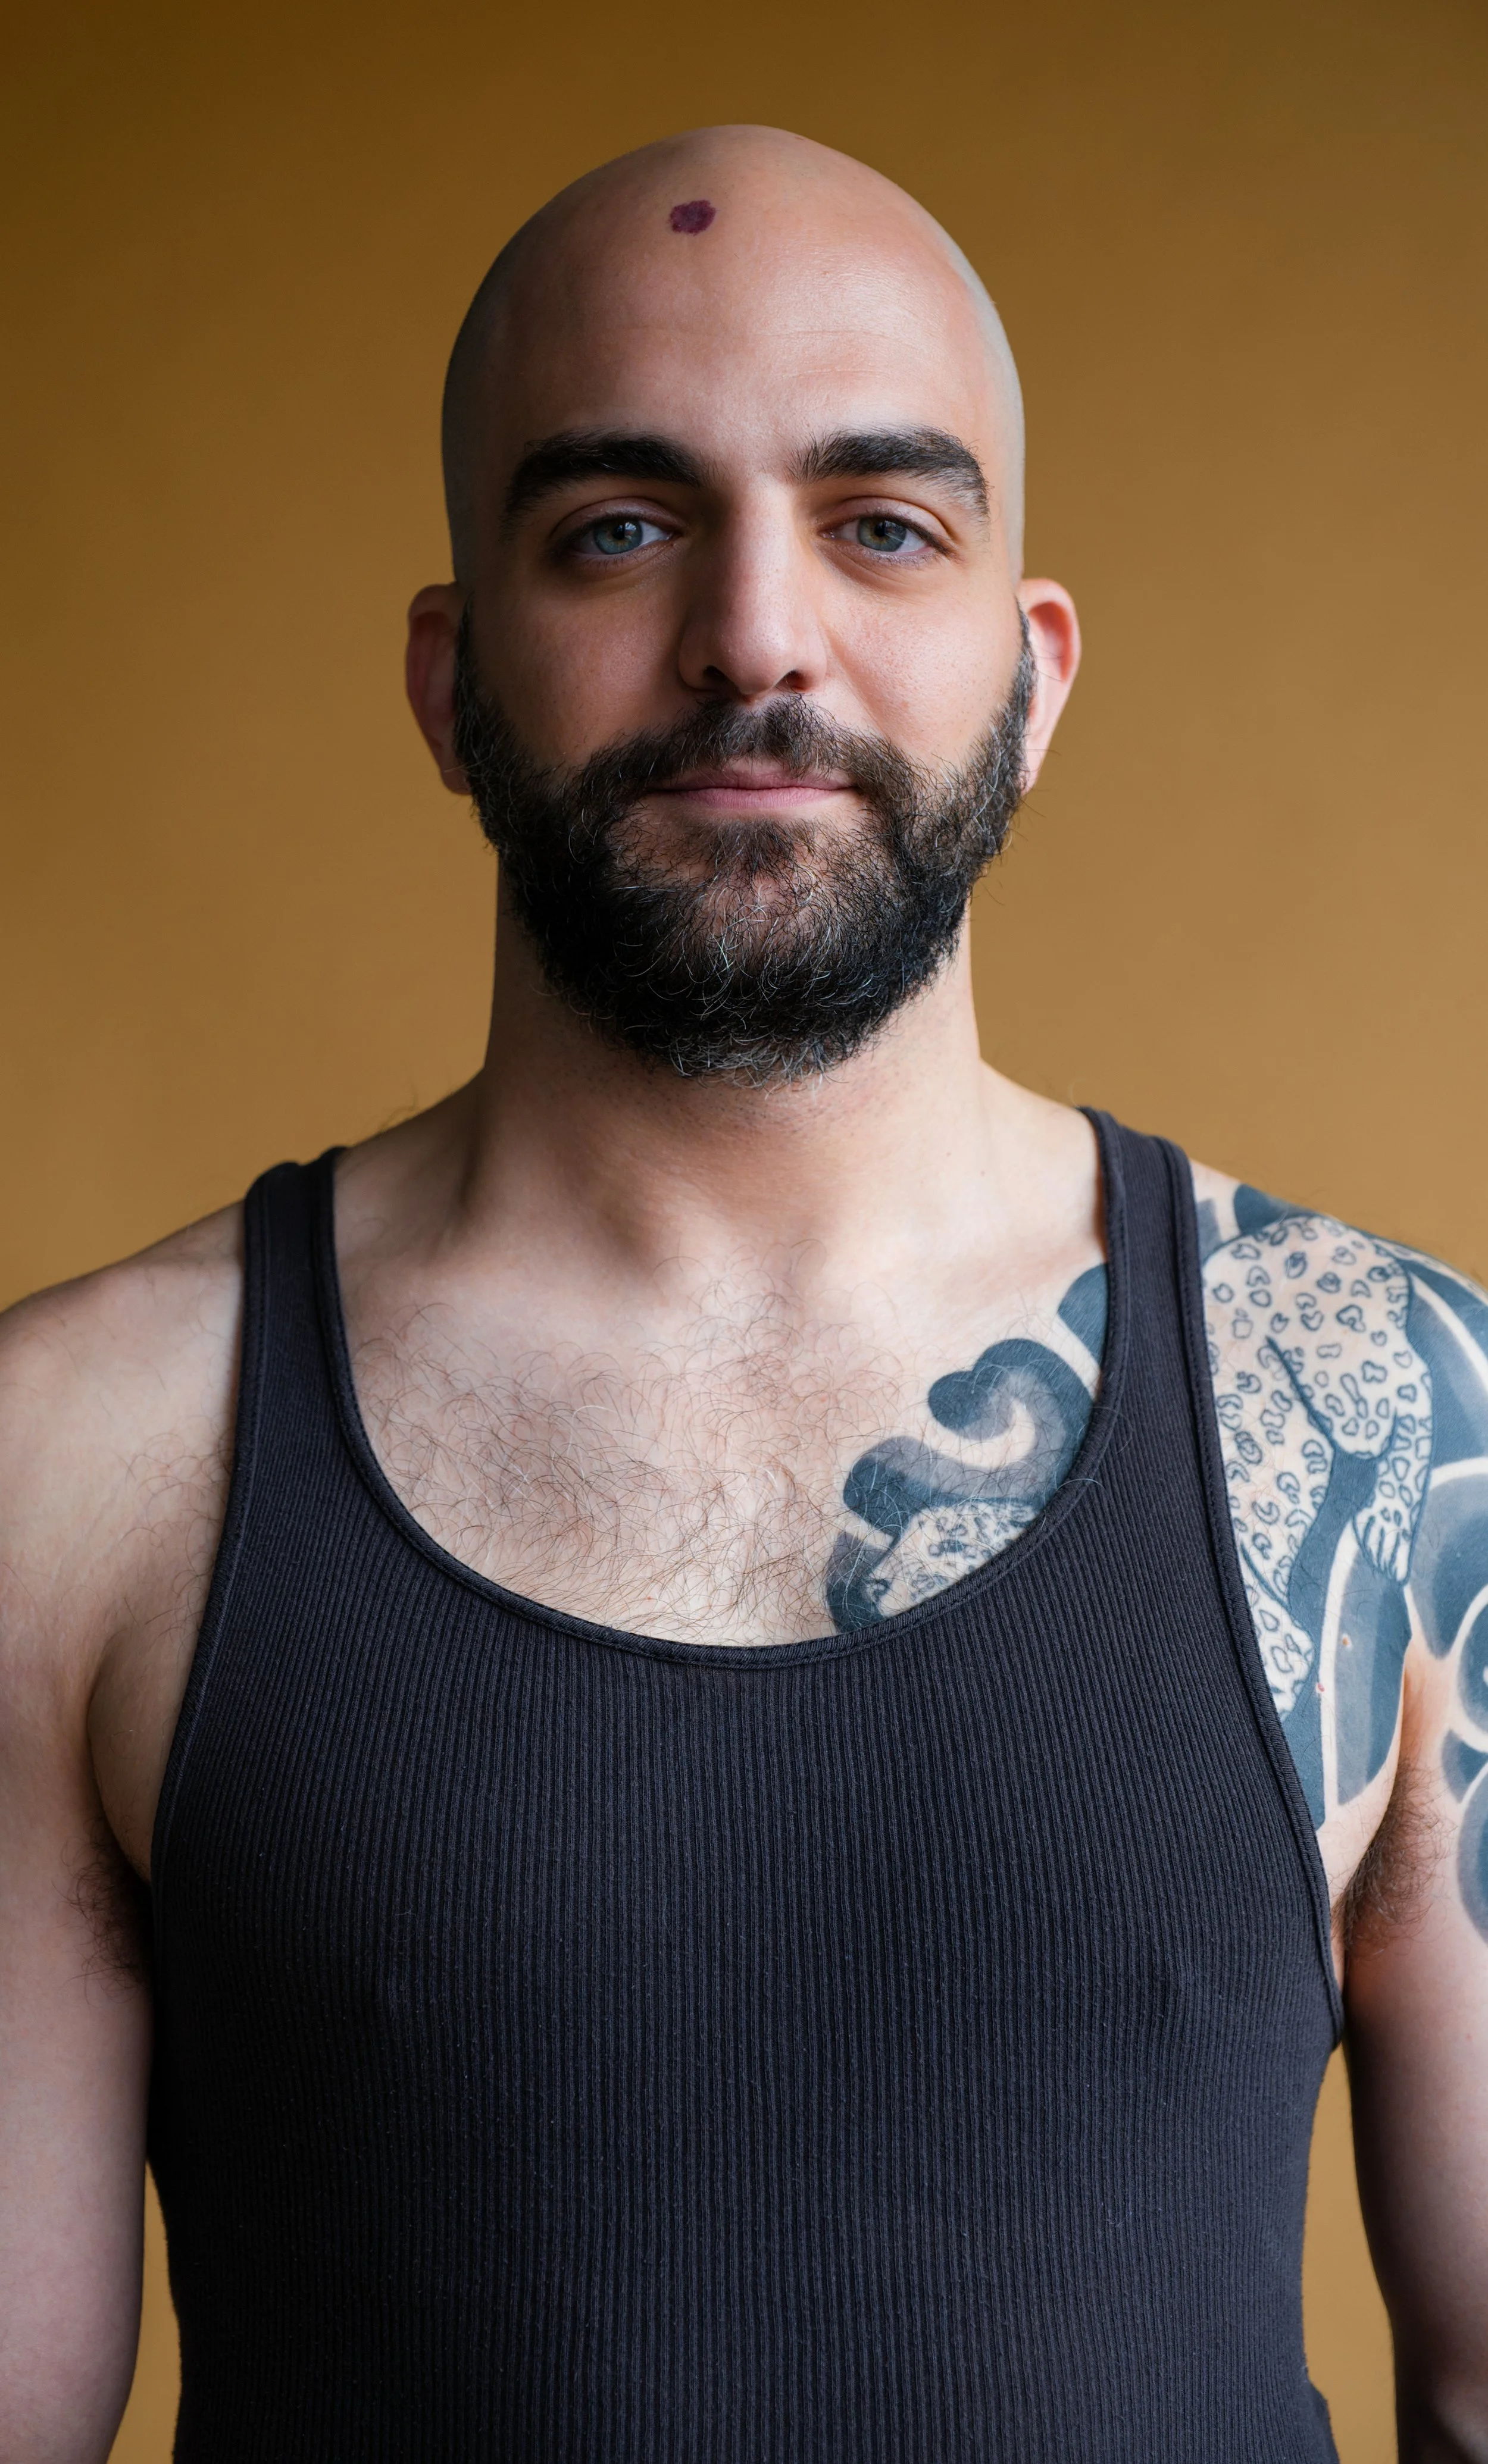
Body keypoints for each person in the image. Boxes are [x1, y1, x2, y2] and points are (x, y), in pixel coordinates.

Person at [2, 121, 1484, 2464]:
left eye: (882, 523)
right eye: (617, 527)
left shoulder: (1395, 1424)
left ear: (1033, 664)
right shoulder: (71, 1471)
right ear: (446, 671)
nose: (756, 637)